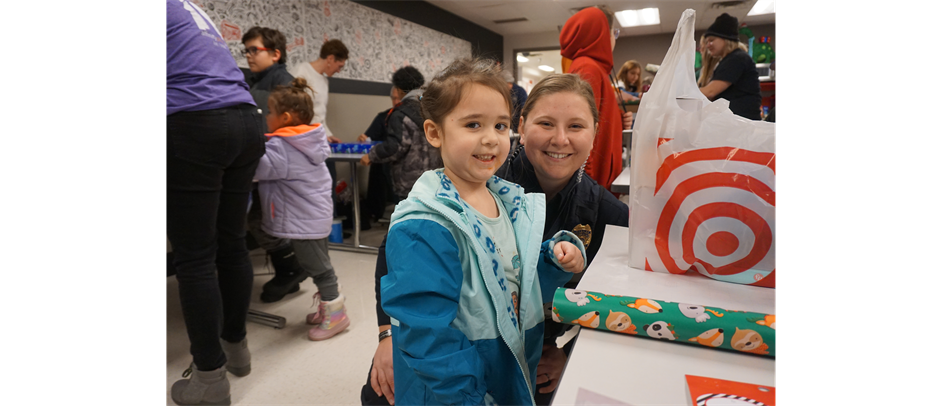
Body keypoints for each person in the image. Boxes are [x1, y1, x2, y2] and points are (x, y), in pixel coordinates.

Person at [380, 57, 588, 406]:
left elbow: (511, 281)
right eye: (473, 124)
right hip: (457, 393)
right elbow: (428, 336)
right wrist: (470, 398)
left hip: (505, 369)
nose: (491, 139)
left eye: (501, 126)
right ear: (434, 132)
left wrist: (552, 261)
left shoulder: (505, 201)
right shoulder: (425, 225)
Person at [167, 1, 266, 404]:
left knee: (194, 257)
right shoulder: (187, 7)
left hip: (195, 122)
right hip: (245, 120)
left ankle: (209, 378)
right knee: (231, 242)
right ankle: (236, 349)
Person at [255, 77, 350, 341]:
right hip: (312, 216)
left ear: (284, 117)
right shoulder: (305, 141)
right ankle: (328, 307)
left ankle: (337, 315)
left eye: (270, 113)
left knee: (319, 268)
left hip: (304, 221)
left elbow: (257, 169)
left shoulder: (283, 147)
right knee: (320, 264)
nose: (267, 118)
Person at [239, 26, 309, 304]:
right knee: (260, 219)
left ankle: (291, 268)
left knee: (262, 219)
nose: (248, 55)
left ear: (275, 53)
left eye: (254, 49)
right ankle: (289, 270)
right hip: (264, 161)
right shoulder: (257, 81)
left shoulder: (283, 84)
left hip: (277, 164)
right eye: (246, 50)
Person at [560, 5, 634, 193]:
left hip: (599, 183)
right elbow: (577, 127)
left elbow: (595, 113)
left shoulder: (595, 69)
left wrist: (618, 117)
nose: (614, 39)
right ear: (601, 34)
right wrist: (587, 186)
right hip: (594, 185)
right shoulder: (588, 69)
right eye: (613, 33)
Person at [359, 66, 440, 202]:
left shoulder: (400, 114)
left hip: (410, 183)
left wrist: (372, 155)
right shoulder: (433, 110)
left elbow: (395, 146)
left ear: (398, 89)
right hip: (435, 179)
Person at [698, 13, 762, 120]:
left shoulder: (736, 58)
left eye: (712, 40)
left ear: (725, 39)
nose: (708, 45)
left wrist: (680, 96)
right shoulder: (727, 60)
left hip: (743, 124)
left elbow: (710, 92)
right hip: (736, 123)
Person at [357, 86, 403, 222]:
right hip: (384, 161)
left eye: (399, 98)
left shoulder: (412, 117)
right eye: (394, 98)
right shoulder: (383, 117)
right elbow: (367, 138)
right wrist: (363, 139)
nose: (396, 101)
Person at [288, 39, 349, 143]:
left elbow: (320, 115)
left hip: (317, 136)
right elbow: (293, 109)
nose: (339, 71)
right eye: (339, 66)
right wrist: (312, 132)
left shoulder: (324, 81)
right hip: (303, 137)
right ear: (330, 58)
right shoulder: (302, 71)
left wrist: (328, 134)